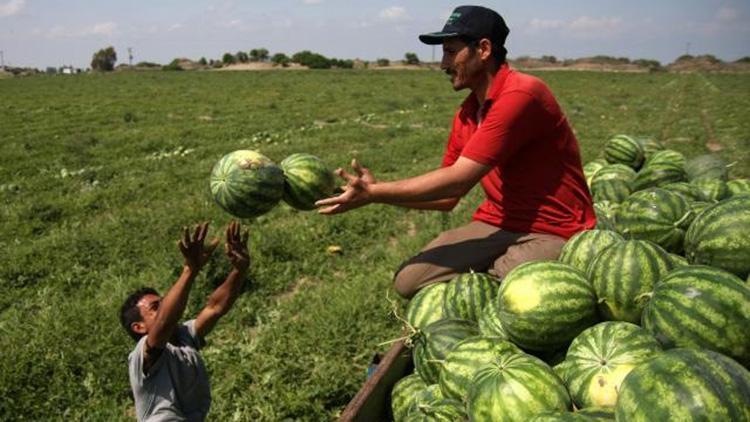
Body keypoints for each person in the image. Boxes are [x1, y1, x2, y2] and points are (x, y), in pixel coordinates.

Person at [316, 5, 596, 298]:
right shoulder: (467, 114)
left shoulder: (522, 94)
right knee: (408, 281)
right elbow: (448, 198)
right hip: (496, 222)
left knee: (505, 292)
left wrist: (376, 193)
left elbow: (458, 179)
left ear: (484, 49)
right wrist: (377, 195)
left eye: (451, 52)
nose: (443, 65)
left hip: (554, 228)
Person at [119, 221, 249, 421]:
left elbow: (214, 308)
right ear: (139, 327)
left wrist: (239, 270)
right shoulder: (143, 355)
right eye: (155, 307)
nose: (164, 307)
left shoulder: (183, 336)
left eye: (164, 302)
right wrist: (190, 270)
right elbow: (164, 320)